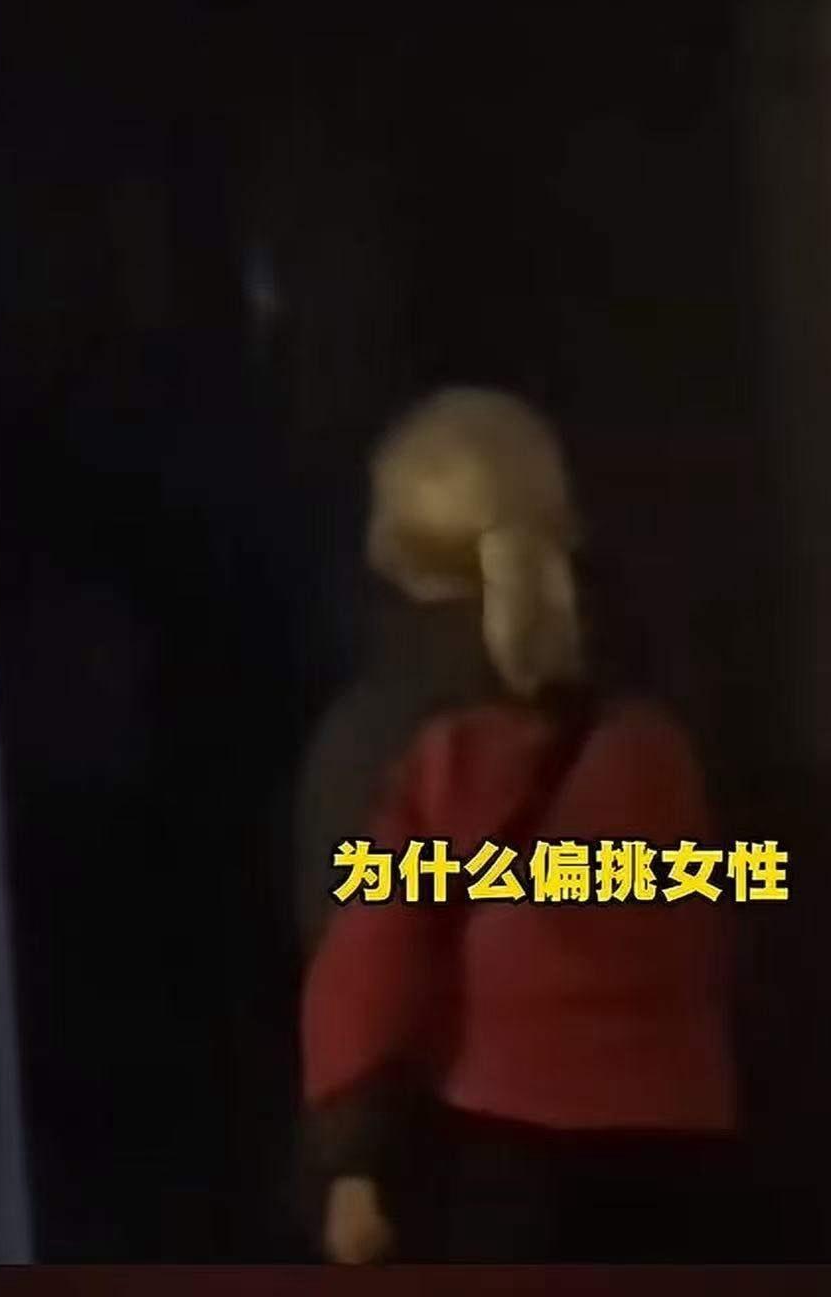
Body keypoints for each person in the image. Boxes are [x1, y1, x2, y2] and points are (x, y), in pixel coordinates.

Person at [299, 387, 738, 1265]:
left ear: (394, 549)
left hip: (488, 1156)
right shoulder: (655, 731)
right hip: (678, 1143)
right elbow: (708, 923)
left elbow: (368, 955)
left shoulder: (396, 736)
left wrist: (351, 1157)